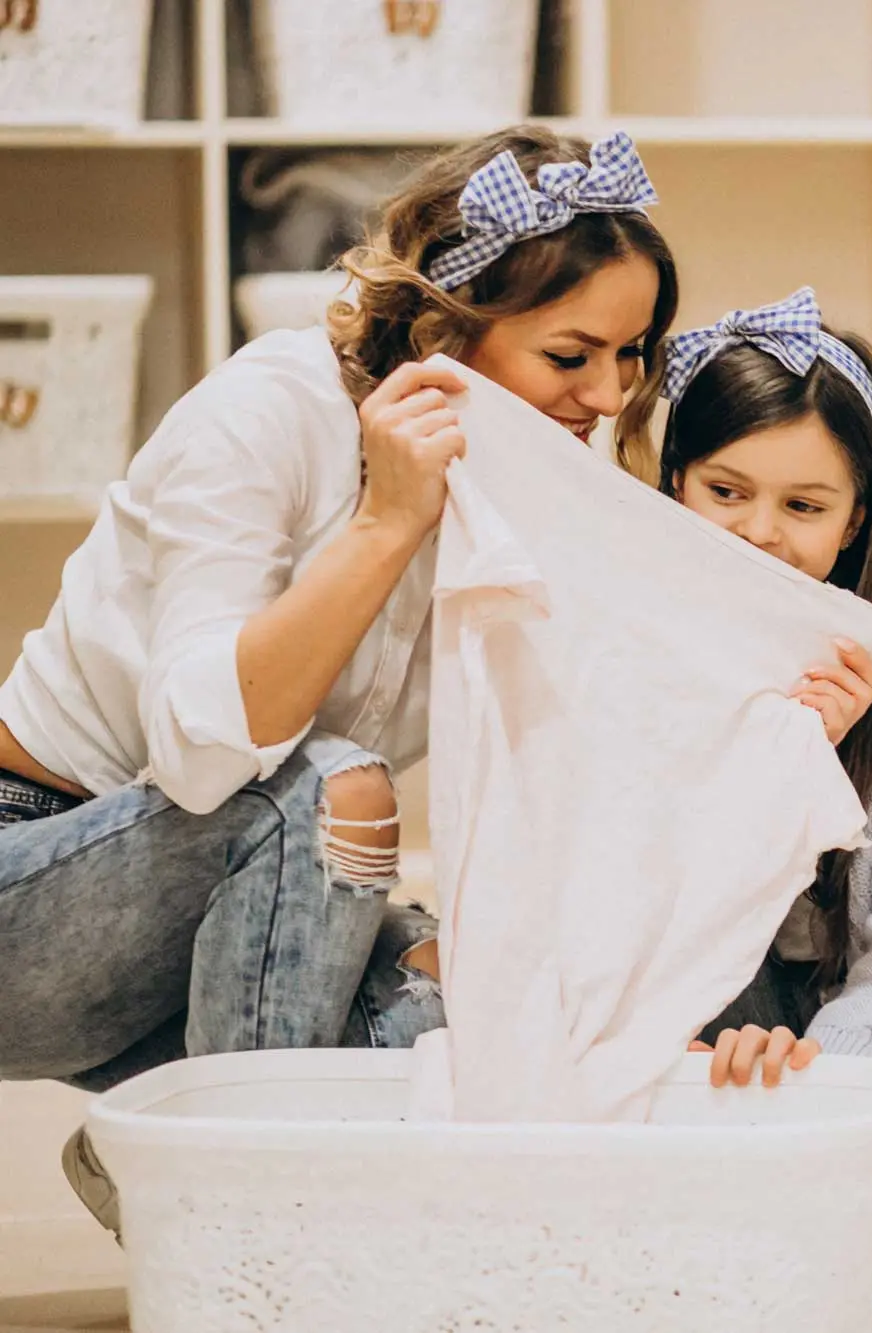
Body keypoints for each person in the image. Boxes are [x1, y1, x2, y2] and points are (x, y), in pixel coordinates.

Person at [0, 125, 677, 1236]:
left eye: (631, 353)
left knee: (464, 1027)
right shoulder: (267, 410)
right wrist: (383, 522)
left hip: (235, 900)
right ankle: (230, 1236)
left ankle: (164, 1169)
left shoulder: (519, 480)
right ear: (446, 328)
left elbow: (566, 749)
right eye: (570, 356)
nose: (608, 396)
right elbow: (206, 755)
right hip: (36, 873)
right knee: (330, 789)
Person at [656, 289, 872, 1313]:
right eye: (725, 490)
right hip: (718, 991)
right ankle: (803, 1226)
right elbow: (648, 882)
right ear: (671, 479)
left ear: (857, 515)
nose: (759, 533)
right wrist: (784, 757)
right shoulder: (645, 649)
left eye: (803, 507)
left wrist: (838, 1061)